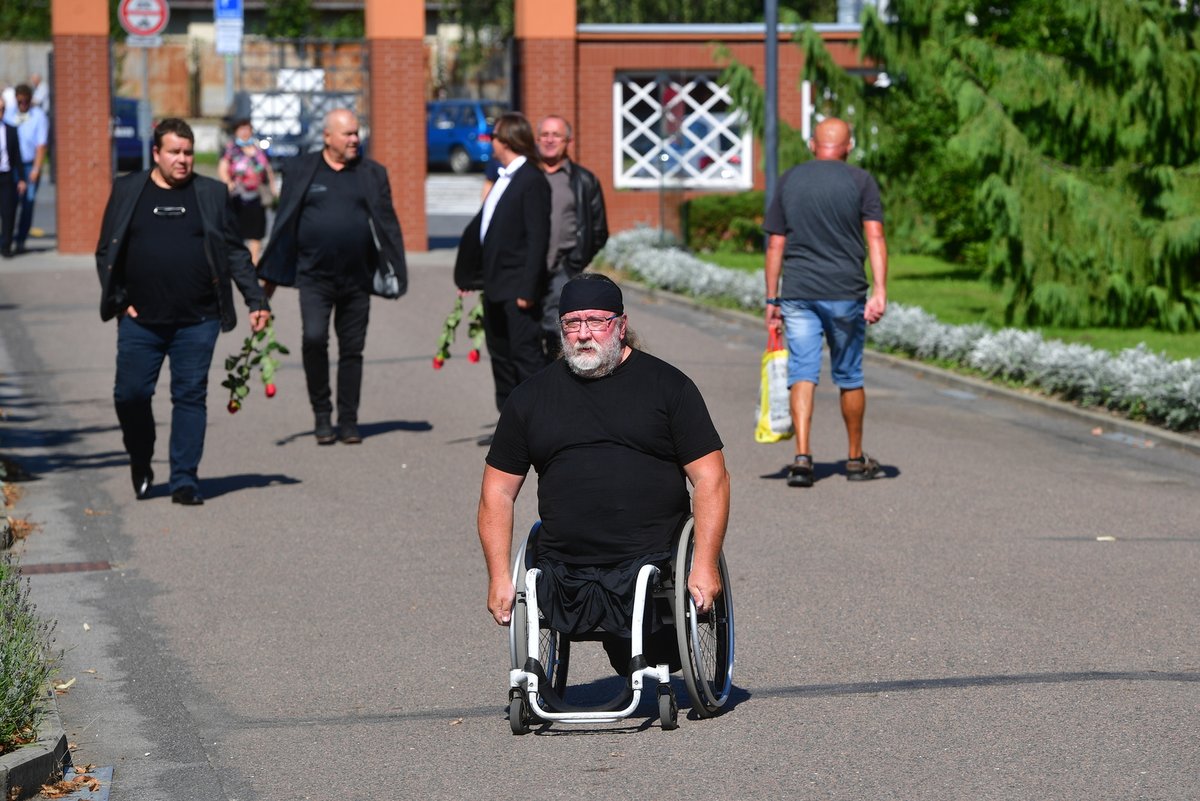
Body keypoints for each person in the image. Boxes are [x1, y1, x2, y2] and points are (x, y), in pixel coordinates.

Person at [477, 273, 730, 673]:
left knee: (656, 655)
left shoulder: (668, 387)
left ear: (621, 326)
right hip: (564, 564)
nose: (583, 334)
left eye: (596, 321)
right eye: (572, 323)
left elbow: (710, 478)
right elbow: (497, 492)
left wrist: (705, 563)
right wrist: (498, 576)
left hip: (650, 558)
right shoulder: (530, 398)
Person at [96, 118, 271, 506]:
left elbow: (234, 252)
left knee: (190, 396)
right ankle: (141, 458)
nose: (183, 160)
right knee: (130, 395)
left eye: (188, 153)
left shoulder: (210, 193)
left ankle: (185, 479)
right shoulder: (129, 190)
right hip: (141, 320)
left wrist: (256, 300)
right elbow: (107, 250)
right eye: (174, 152)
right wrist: (121, 301)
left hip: (198, 319)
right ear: (156, 153)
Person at [258, 108, 407, 445]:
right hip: (314, 278)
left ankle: (349, 420)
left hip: (358, 280)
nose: (355, 139)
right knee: (313, 340)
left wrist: (394, 270)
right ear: (328, 137)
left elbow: (388, 226)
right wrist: (265, 287)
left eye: (357, 133)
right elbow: (283, 227)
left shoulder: (371, 173)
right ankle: (322, 415)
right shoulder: (302, 170)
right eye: (348, 134)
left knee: (352, 350)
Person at [763, 116, 888, 488]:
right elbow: (876, 237)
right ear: (848, 146)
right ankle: (854, 459)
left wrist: (772, 296)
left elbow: (775, 243)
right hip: (846, 292)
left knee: (803, 371)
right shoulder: (861, 181)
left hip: (798, 292)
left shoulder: (790, 180)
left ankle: (802, 458)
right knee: (849, 375)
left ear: (812, 145)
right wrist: (880, 290)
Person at [454, 111, 550, 412]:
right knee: (500, 355)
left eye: (493, 136)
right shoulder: (502, 177)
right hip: (495, 285)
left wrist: (528, 289)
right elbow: (487, 229)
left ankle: (540, 419)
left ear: (507, 139)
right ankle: (510, 422)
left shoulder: (532, 180)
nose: (490, 141)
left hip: (517, 288)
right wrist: (472, 275)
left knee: (524, 356)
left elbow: (538, 239)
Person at [535, 115, 609, 358]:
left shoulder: (583, 180)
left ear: (568, 141)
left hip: (562, 270)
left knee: (558, 334)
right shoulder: (526, 177)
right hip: (527, 271)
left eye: (556, 135)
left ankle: (557, 385)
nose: (549, 140)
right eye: (544, 135)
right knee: (528, 336)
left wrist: (574, 262)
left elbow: (598, 230)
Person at [217, 118, 276, 264]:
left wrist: (273, 186)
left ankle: (254, 263)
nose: (244, 132)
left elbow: (267, 168)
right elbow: (222, 168)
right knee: (236, 231)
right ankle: (237, 261)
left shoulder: (258, 147)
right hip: (237, 195)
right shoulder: (231, 149)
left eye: (247, 128)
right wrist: (228, 182)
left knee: (256, 233)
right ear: (236, 131)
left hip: (257, 194)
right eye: (241, 129)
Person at [2, 84, 49, 255]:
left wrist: (36, 168)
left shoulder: (38, 116)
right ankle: (7, 239)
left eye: (25, 100)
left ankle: (20, 240)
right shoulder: (9, 114)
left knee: (27, 204)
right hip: (11, 166)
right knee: (9, 205)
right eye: (19, 100)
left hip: (29, 165)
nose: (22, 103)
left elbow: (41, 145)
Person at [0, 94, 27, 259]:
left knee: (8, 213)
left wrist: (22, 178)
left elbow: (17, 156)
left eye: (2, 109)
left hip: (6, 176)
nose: (0, 112)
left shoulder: (11, 130)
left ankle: (6, 246)